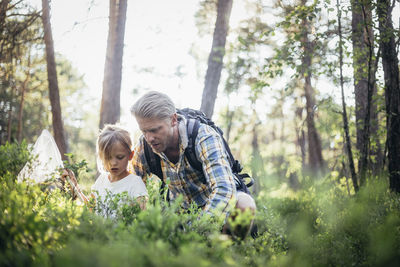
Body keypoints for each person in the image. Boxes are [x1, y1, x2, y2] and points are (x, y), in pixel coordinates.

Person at [130, 91, 256, 238]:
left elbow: (224, 189)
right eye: (144, 131)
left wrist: (198, 229)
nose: (149, 138)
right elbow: (132, 187)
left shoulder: (204, 136)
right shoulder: (144, 146)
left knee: (245, 204)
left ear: (173, 120)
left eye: (155, 130)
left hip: (217, 208)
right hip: (180, 213)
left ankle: (227, 252)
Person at [62, 124, 148, 214]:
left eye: (119, 157)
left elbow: (143, 216)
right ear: (101, 157)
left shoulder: (135, 183)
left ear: (131, 155)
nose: (113, 163)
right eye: (107, 157)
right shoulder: (101, 180)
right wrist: (76, 188)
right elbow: (91, 208)